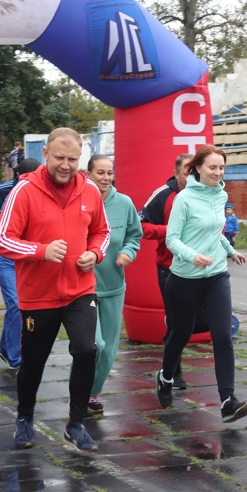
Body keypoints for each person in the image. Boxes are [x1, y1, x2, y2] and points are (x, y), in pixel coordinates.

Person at [0, 128, 110, 453]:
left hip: (79, 290)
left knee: (87, 350)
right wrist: (40, 251)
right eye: (59, 157)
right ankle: (24, 417)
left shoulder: (89, 190)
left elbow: (102, 231)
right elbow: (3, 239)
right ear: (45, 155)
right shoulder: (25, 191)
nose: (66, 165)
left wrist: (95, 253)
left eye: (72, 159)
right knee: (33, 362)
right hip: (38, 295)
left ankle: (75, 425)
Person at [154, 144, 247, 423]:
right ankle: (166, 376)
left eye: (221, 168)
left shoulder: (221, 196)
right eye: (212, 167)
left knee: (222, 335)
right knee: (180, 334)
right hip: (184, 277)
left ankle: (228, 401)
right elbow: (172, 239)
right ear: (197, 168)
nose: (218, 172)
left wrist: (230, 250)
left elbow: (214, 231)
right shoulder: (184, 199)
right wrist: (191, 256)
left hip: (216, 275)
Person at [138, 153, 207, 390]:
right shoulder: (164, 195)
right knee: (180, 325)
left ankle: (172, 328)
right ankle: (173, 374)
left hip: (201, 269)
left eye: (194, 171)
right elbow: (141, 226)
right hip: (170, 269)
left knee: (204, 320)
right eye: (187, 172)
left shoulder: (207, 192)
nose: (192, 176)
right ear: (176, 173)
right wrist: (170, 231)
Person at [84, 155, 142, 415]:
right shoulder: (79, 201)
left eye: (109, 173)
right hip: (84, 288)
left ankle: (91, 394)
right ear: (88, 174)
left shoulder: (124, 203)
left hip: (114, 286)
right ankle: (80, 390)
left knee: (108, 352)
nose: (106, 178)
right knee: (94, 346)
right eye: (100, 172)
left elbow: (134, 235)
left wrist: (128, 252)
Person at [0, 158, 42, 371]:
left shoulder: (42, 192)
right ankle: (16, 357)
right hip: (6, 258)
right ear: (19, 177)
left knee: (25, 306)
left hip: (29, 258)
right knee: (15, 303)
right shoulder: (2, 191)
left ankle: (7, 348)